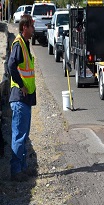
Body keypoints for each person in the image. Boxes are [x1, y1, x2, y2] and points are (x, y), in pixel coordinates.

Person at [8, 14, 36, 181]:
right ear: (24, 27)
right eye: (32, 26)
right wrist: (21, 85)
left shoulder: (25, 44)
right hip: (19, 97)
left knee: (23, 135)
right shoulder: (19, 44)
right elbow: (11, 65)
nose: (34, 29)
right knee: (19, 135)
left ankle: (23, 168)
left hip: (26, 98)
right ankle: (16, 171)